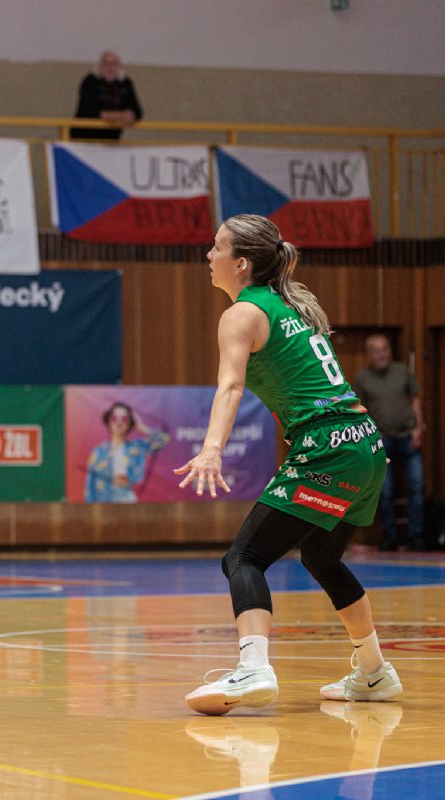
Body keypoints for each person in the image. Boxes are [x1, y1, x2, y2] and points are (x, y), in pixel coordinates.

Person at [177, 213, 401, 716]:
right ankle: (374, 672)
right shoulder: (290, 305)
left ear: (241, 263)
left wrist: (211, 447)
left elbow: (231, 385)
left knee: (244, 558)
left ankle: (254, 668)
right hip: (365, 444)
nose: (208, 255)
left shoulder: (243, 313)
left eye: (217, 247)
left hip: (327, 446)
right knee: (322, 557)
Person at [353, 333, 426, 551]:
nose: (381, 354)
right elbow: (358, 409)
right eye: (376, 351)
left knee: (417, 487)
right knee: (384, 492)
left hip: (409, 438)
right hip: (381, 442)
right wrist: (372, 434)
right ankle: (390, 537)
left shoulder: (402, 371)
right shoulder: (362, 378)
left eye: (384, 349)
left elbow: (415, 398)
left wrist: (419, 427)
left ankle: (416, 537)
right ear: (369, 354)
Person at [83, 401, 169, 502]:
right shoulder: (99, 451)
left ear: (130, 424)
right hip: (102, 500)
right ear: (108, 422)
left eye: (124, 419)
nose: (118, 423)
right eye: (114, 418)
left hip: (126, 499)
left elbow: (163, 439)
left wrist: (141, 427)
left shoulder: (137, 447)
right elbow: (90, 483)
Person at [71, 50, 143, 142]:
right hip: (84, 137)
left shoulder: (125, 83)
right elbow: (88, 111)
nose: (110, 67)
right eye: (106, 63)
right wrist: (119, 116)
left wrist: (130, 116)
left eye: (114, 64)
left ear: (119, 67)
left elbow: (137, 112)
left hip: (112, 140)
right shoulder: (90, 81)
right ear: (100, 66)